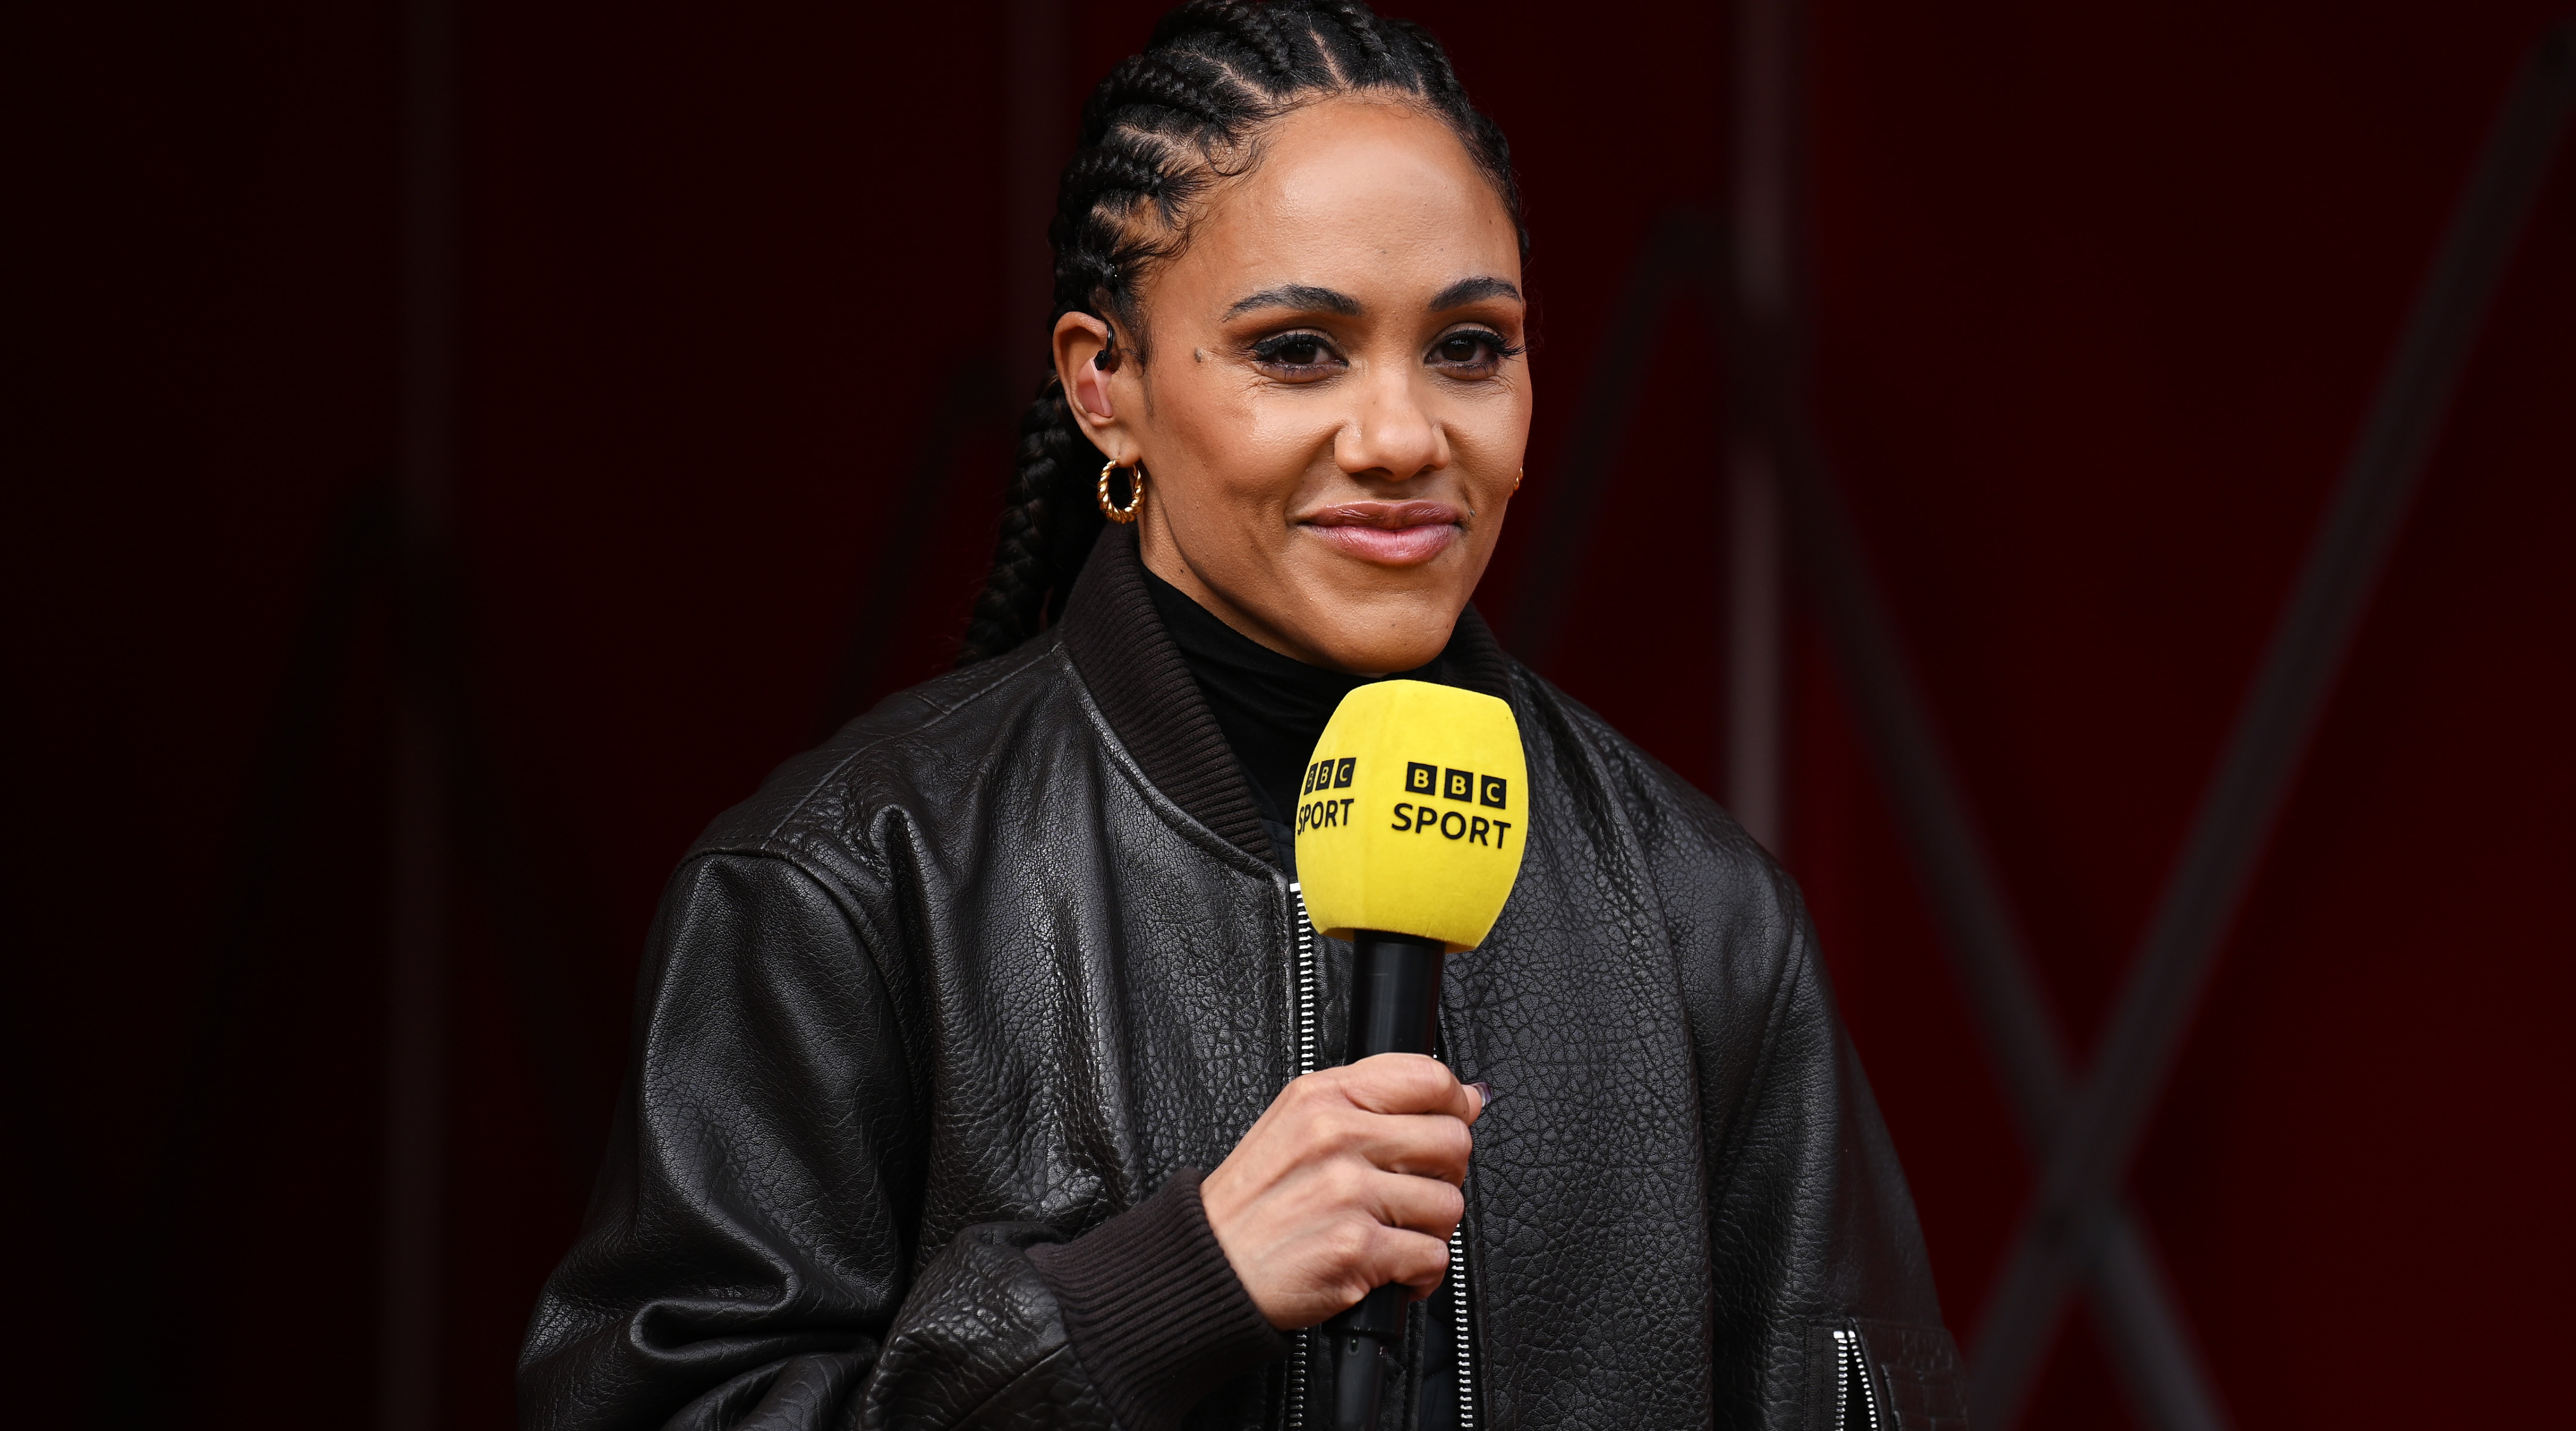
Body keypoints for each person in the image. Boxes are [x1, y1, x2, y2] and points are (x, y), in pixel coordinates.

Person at [519, 4, 1963, 1428]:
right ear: (1107, 387)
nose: (1403, 438)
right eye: (1298, 352)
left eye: (1469, 347)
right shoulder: (848, 888)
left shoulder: (1700, 914)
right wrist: (1161, 1292)